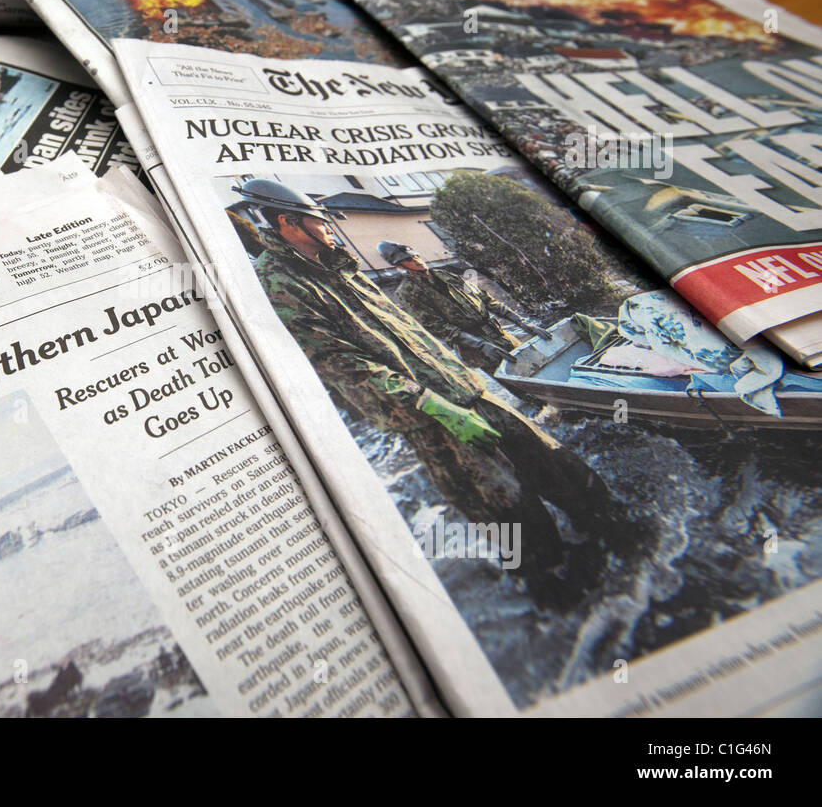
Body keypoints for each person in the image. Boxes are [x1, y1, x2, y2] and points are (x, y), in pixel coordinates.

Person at [232, 179, 644, 605]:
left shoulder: (341, 266)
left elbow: (410, 333)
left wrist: (461, 378)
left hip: (463, 389)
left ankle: (611, 528)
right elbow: (339, 363)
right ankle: (555, 584)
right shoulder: (277, 283)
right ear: (289, 222)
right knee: (507, 506)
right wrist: (430, 404)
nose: (331, 228)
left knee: (553, 462)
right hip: (427, 414)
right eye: (321, 220)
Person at [377, 240, 551, 372]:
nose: (416, 260)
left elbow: (485, 299)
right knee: (518, 383)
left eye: (415, 255)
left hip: (499, 333)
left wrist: (522, 322)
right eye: (408, 259)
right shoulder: (407, 292)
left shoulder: (446, 275)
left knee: (537, 366)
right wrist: (481, 345)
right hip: (477, 349)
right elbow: (436, 327)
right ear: (400, 266)